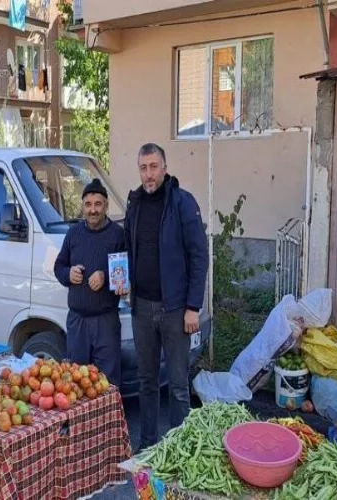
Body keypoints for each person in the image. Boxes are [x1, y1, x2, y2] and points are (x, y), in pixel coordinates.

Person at [119, 143, 209, 450]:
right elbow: (126, 248)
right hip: (141, 308)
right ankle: (148, 447)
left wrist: (192, 307)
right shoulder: (134, 204)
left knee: (178, 385)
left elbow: (199, 255)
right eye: (143, 168)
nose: (148, 174)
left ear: (165, 167)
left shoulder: (182, 203)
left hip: (175, 311)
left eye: (153, 166)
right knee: (146, 383)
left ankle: (179, 450)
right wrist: (120, 278)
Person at [53, 179, 125, 387]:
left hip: (106, 322)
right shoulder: (73, 233)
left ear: (106, 206)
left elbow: (125, 276)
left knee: (108, 383)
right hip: (77, 323)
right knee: (76, 383)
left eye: (98, 204)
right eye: (88, 204)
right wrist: (68, 273)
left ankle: (108, 421)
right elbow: (59, 266)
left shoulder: (117, 235)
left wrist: (104, 276)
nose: (92, 210)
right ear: (83, 206)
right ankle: (80, 421)